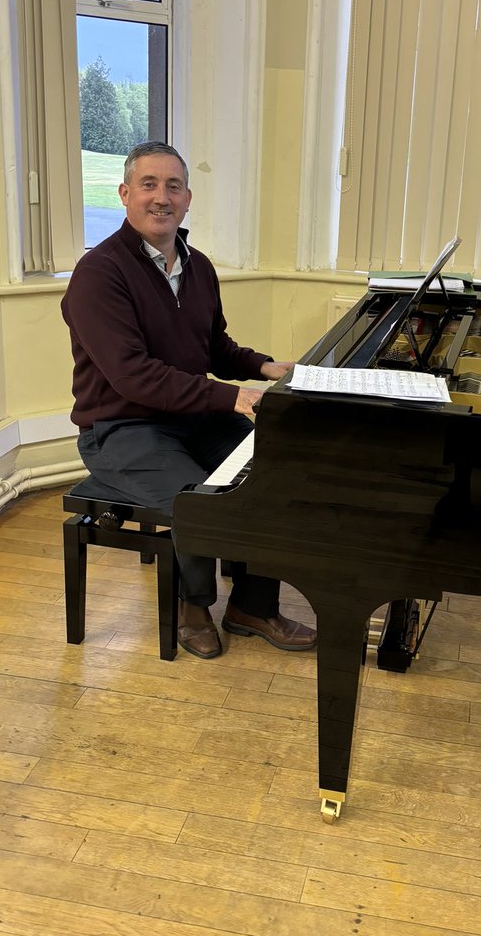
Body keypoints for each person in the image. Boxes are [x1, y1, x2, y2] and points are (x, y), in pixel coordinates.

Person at [61, 140, 316, 660]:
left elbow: (213, 345)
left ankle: (252, 607)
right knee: (195, 498)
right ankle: (193, 607)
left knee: (273, 469)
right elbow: (133, 376)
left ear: (188, 197)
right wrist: (232, 397)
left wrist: (265, 367)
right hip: (120, 429)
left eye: (172, 186)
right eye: (149, 185)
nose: (162, 197)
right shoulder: (99, 274)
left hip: (189, 416)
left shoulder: (196, 264)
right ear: (125, 194)